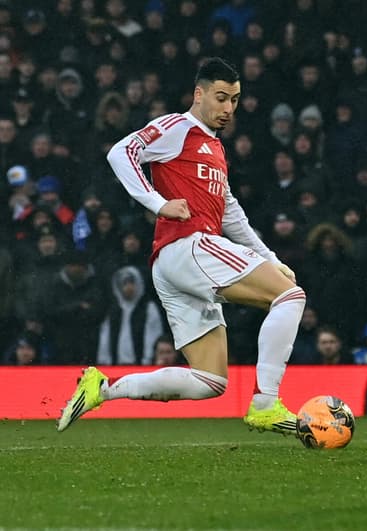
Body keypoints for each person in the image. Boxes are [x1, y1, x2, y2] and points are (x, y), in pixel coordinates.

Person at [57, 58, 306, 437]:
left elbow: (231, 211)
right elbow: (120, 153)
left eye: (235, 101)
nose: (228, 108)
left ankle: (102, 388)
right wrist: (158, 203)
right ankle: (266, 403)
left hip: (173, 265)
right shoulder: (178, 127)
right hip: (189, 247)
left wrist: (272, 259)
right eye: (221, 98)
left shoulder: (214, 147)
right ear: (199, 93)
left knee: (210, 380)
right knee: (290, 298)